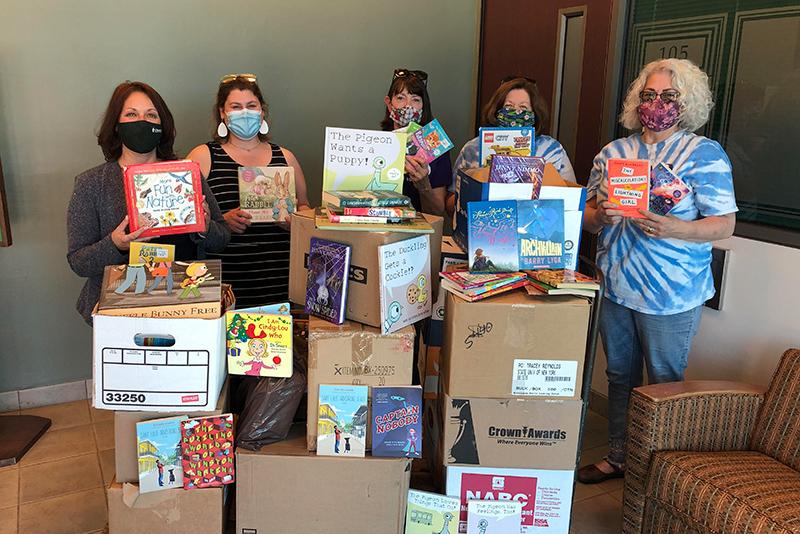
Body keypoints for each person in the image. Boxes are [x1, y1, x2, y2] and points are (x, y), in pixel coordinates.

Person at [577, 59, 737, 484]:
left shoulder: (704, 154)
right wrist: (601, 217)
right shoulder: (613, 153)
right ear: (637, 101)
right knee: (618, 376)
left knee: (664, 383)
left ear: (686, 103)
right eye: (650, 95)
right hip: (616, 286)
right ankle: (618, 456)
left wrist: (676, 228)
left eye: (669, 96)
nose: (657, 104)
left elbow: (724, 224)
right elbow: (587, 218)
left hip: (673, 294)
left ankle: (657, 471)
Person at [67, 81, 229, 325]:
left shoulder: (186, 175)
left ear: (162, 125)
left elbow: (223, 237)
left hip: (187, 308)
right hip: (119, 314)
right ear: (117, 125)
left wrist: (205, 228)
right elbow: (79, 261)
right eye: (131, 114)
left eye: (151, 115)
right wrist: (116, 244)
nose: (142, 121)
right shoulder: (91, 184)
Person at [187, 74, 310, 308]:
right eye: (236, 107)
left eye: (251, 106)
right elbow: (188, 216)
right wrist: (221, 221)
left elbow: (305, 209)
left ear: (262, 111)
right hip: (223, 284)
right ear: (222, 113)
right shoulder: (202, 156)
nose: (245, 112)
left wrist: (294, 220)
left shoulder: (285, 158)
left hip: (279, 279)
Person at [446, 77, 576, 216]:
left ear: (534, 113)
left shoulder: (552, 150)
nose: (516, 112)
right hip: (487, 226)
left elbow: (572, 200)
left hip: (536, 230)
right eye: (508, 106)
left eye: (523, 107)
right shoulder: (473, 149)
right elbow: (450, 205)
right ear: (497, 110)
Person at [380, 68, 451, 215]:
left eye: (416, 99)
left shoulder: (437, 147)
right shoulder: (377, 144)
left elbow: (437, 211)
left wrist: (423, 185)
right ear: (389, 103)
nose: (408, 106)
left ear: (423, 106)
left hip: (418, 228)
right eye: (400, 98)